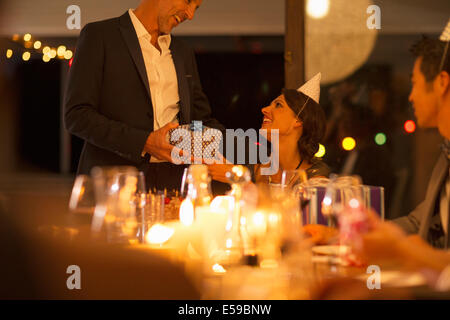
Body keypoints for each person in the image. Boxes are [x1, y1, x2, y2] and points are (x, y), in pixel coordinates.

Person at [304, 36, 450, 248]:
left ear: (442, 82)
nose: (411, 97)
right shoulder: (445, 155)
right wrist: (338, 235)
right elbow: (417, 222)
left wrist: (404, 254)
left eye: (414, 84)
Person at [64, 0, 224, 192]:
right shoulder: (99, 35)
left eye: (196, 8)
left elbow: (199, 119)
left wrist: (207, 138)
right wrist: (145, 142)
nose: (190, 14)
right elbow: (77, 115)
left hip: (173, 185)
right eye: (188, 2)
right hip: (114, 184)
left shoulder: (183, 52)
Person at [208, 73, 330, 184]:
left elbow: (287, 207)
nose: (264, 109)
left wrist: (237, 178)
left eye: (278, 105)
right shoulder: (258, 169)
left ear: (298, 120)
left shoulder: (316, 178)